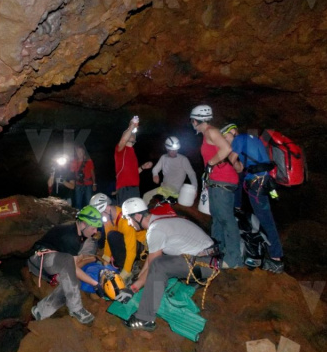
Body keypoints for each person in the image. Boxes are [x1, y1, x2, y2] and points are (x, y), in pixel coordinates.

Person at [120, 198, 217, 331]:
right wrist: (138, 280)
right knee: (160, 261)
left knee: (160, 265)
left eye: (129, 219)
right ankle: (198, 280)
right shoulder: (159, 221)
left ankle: (144, 318)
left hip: (206, 264)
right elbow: (151, 256)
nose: (129, 224)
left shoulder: (156, 230)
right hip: (209, 259)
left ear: (137, 216)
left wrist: (133, 289)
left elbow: (154, 265)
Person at [221, 123, 286, 273]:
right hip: (265, 182)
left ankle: (276, 258)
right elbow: (241, 168)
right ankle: (237, 208)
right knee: (266, 217)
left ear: (233, 132)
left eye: (226, 137)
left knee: (266, 220)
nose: (225, 140)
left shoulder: (239, 139)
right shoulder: (252, 139)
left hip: (257, 184)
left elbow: (231, 159)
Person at [27, 205, 107, 325]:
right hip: (39, 259)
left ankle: (40, 311)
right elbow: (72, 266)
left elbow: (72, 268)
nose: (96, 231)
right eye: (94, 228)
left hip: (54, 262)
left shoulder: (79, 231)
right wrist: (95, 284)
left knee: (74, 283)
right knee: (68, 262)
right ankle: (76, 309)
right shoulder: (69, 236)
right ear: (84, 224)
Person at [190, 104, 243, 269]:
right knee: (217, 219)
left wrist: (211, 164)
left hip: (223, 180)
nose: (192, 124)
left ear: (197, 120)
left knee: (226, 220)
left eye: (192, 121)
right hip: (216, 181)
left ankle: (234, 260)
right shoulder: (208, 133)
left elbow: (227, 148)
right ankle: (217, 251)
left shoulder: (212, 131)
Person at [90, 193, 146, 283]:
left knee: (113, 236)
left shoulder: (125, 220)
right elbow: (108, 240)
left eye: (101, 214)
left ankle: (130, 269)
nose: (101, 217)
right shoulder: (108, 218)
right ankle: (124, 265)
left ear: (107, 208)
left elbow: (131, 249)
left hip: (141, 247)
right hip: (128, 244)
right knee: (111, 236)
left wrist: (125, 271)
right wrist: (105, 259)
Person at [143, 136, 197, 205]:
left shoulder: (183, 159)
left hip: (174, 191)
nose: (174, 152)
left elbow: (191, 174)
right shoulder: (163, 157)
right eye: (171, 150)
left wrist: (194, 189)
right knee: (146, 196)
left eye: (176, 150)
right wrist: (155, 175)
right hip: (163, 188)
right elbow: (155, 169)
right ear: (167, 149)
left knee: (160, 204)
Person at [115, 116, 153, 205]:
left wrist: (143, 167)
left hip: (135, 188)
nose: (131, 134)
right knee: (126, 216)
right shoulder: (120, 150)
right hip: (125, 188)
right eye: (128, 133)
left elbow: (133, 172)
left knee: (135, 215)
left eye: (133, 134)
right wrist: (131, 126)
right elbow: (124, 139)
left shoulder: (132, 153)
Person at [68, 143, 97, 210]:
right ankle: (79, 218)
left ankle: (89, 217)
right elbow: (71, 173)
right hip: (78, 184)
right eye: (78, 152)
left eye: (81, 151)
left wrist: (94, 183)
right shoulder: (74, 162)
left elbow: (92, 173)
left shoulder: (89, 161)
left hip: (88, 184)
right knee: (78, 203)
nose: (79, 153)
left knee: (89, 202)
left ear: (84, 152)